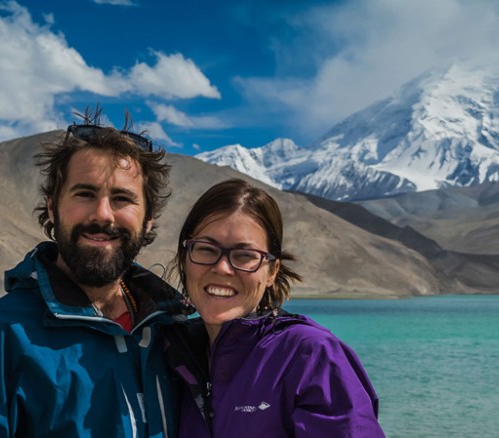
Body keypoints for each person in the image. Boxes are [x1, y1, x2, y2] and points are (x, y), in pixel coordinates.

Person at [0, 109, 183, 437]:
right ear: (52, 207)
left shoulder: (174, 332)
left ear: (148, 219)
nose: (102, 215)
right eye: (85, 194)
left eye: (122, 199)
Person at [163, 178, 385, 437]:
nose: (222, 268)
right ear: (184, 258)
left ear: (272, 271)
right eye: (206, 249)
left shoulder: (310, 356)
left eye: (245, 255)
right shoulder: (170, 353)